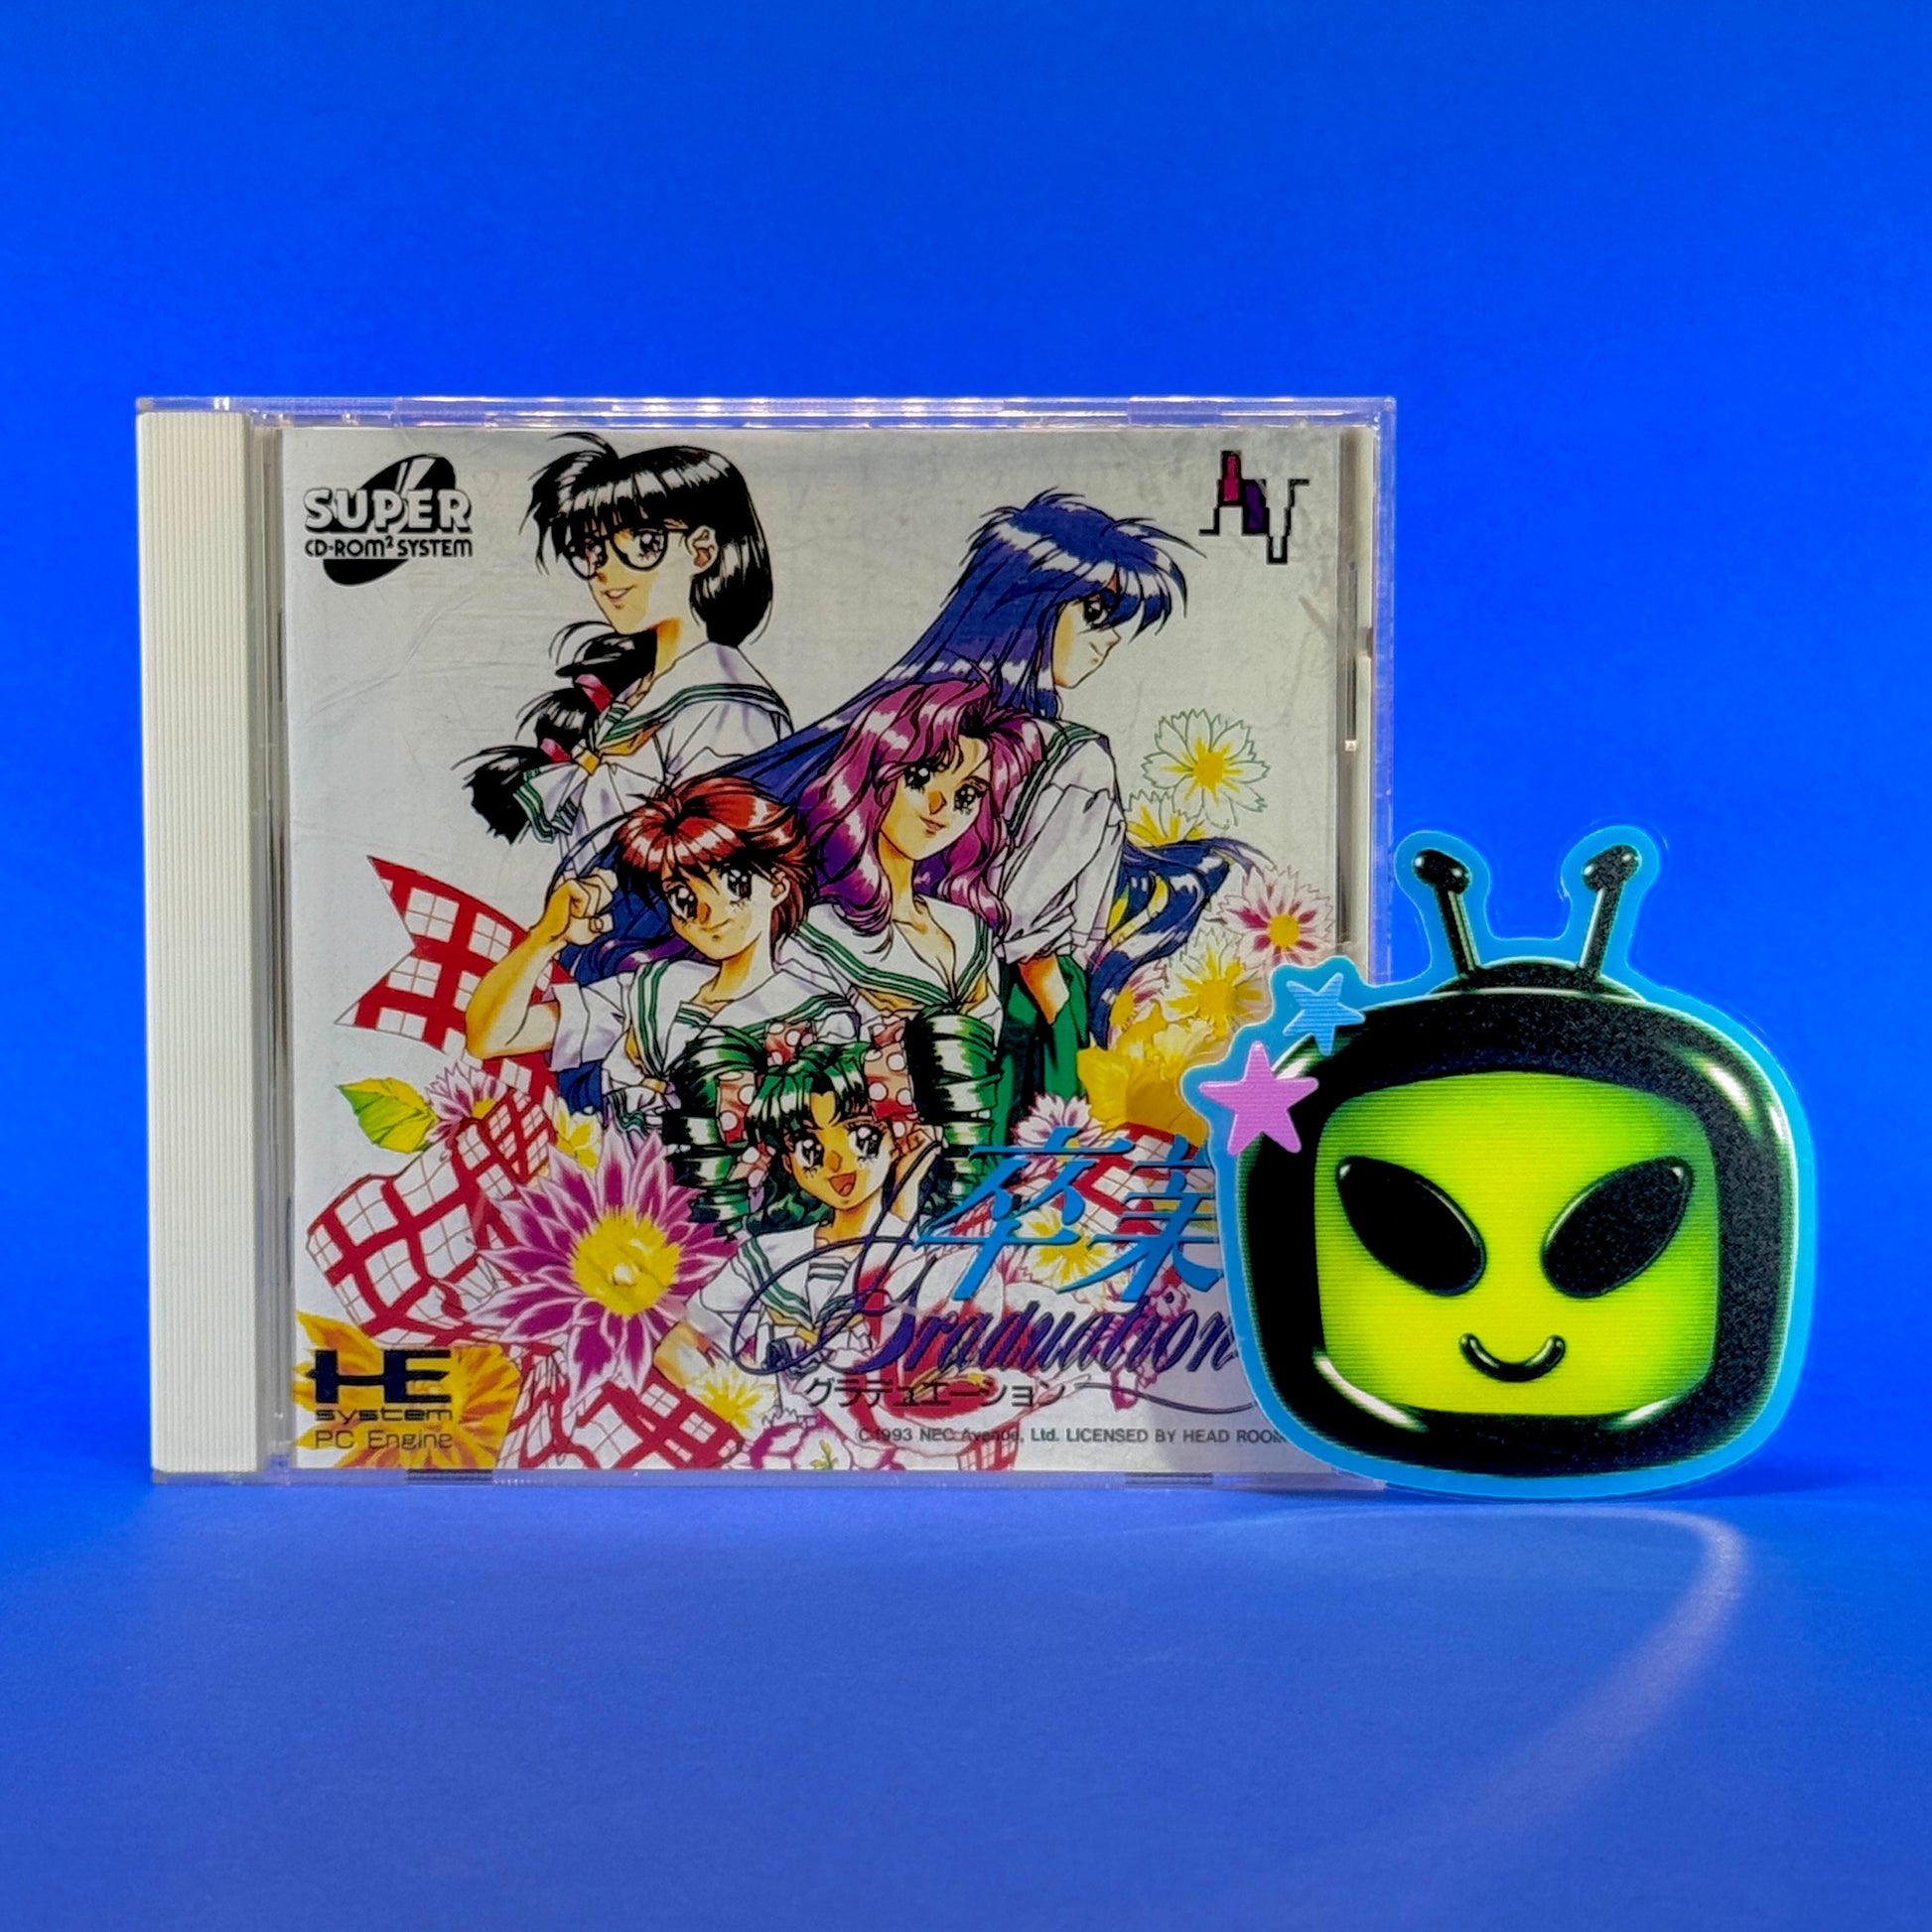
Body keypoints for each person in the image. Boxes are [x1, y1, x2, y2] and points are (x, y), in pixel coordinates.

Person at [465, 438, 790, 867]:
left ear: (702, 551)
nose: (605, 571)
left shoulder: (727, 707)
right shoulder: (632, 696)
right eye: (593, 550)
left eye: (643, 543)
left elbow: (722, 873)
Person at [464, 775, 848, 1132]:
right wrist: (546, 938)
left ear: (777, 886)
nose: (708, 911)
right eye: (682, 897)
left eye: (734, 882)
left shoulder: (820, 1017)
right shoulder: (651, 990)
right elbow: (492, 1037)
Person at [786, 677, 1040, 1167]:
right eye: (922, 778)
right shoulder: (815, 937)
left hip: (975, 1168)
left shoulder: (967, 930)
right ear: (874, 774)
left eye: (967, 794)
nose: (941, 810)